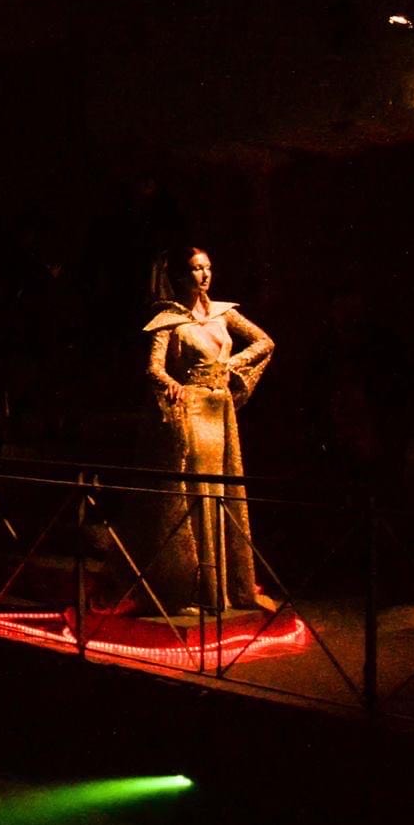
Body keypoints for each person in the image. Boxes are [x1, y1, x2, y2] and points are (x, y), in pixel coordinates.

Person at [140, 246, 279, 614]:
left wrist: (231, 365)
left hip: (222, 409)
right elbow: (153, 367)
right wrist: (172, 383)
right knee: (202, 491)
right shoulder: (169, 319)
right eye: (195, 269)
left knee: (226, 488)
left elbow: (265, 342)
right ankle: (202, 589)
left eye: (207, 268)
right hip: (195, 410)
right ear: (181, 276)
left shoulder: (223, 313)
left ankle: (230, 585)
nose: (203, 275)